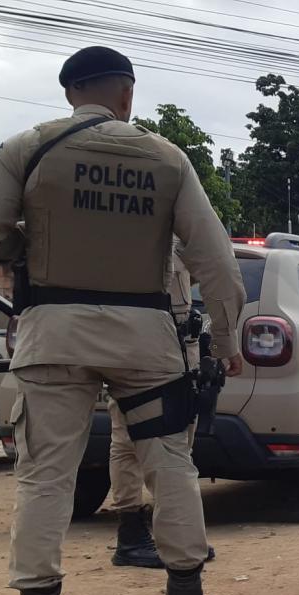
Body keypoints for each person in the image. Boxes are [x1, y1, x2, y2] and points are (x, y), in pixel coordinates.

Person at [0, 46, 248, 595]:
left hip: (53, 335)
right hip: (147, 339)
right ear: (128, 94)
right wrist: (226, 337)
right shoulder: (168, 159)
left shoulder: (28, 148)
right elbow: (214, 260)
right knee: (171, 466)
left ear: (69, 93)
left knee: (44, 477)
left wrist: (27, 243)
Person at [107, 243, 212, 569]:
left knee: (178, 442)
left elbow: (199, 269)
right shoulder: (130, 229)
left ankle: (176, 534)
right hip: (139, 345)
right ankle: (132, 533)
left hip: (180, 344)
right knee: (127, 440)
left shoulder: (179, 235)